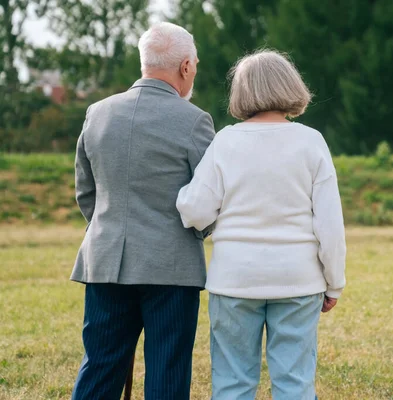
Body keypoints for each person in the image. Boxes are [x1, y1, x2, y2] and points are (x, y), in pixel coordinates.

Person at [177, 49, 347, 400]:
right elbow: (330, 225)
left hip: (235, 281)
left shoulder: (226, 140)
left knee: (233, 384)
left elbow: (195, 211)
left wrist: (182, 195)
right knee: (295, 384)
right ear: (292, 86)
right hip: (299, 281)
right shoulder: (311, 141)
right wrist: (334, 284)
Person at [70, 22, 215, 400]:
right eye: (195, 65)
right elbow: (207, 198)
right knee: (167, 374)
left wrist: (108, 227)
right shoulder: (195, 120)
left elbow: (86, 191)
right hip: (171, 267)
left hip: (104, 262)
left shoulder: (97, 113)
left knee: (100, 367)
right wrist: (199, 232)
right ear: (185, 67)